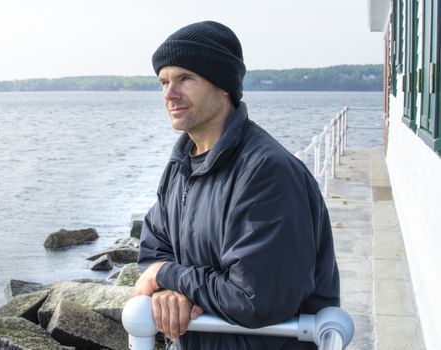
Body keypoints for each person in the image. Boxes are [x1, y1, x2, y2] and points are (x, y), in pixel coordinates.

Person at [134, 20, 340, 350]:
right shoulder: (180, 166)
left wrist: (167, 276)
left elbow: (257, 298)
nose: (169, 94)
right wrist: (168, 291)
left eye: (185, 78)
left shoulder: (267, 172)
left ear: (224, 85)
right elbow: (153, 248)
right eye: (163, 82)